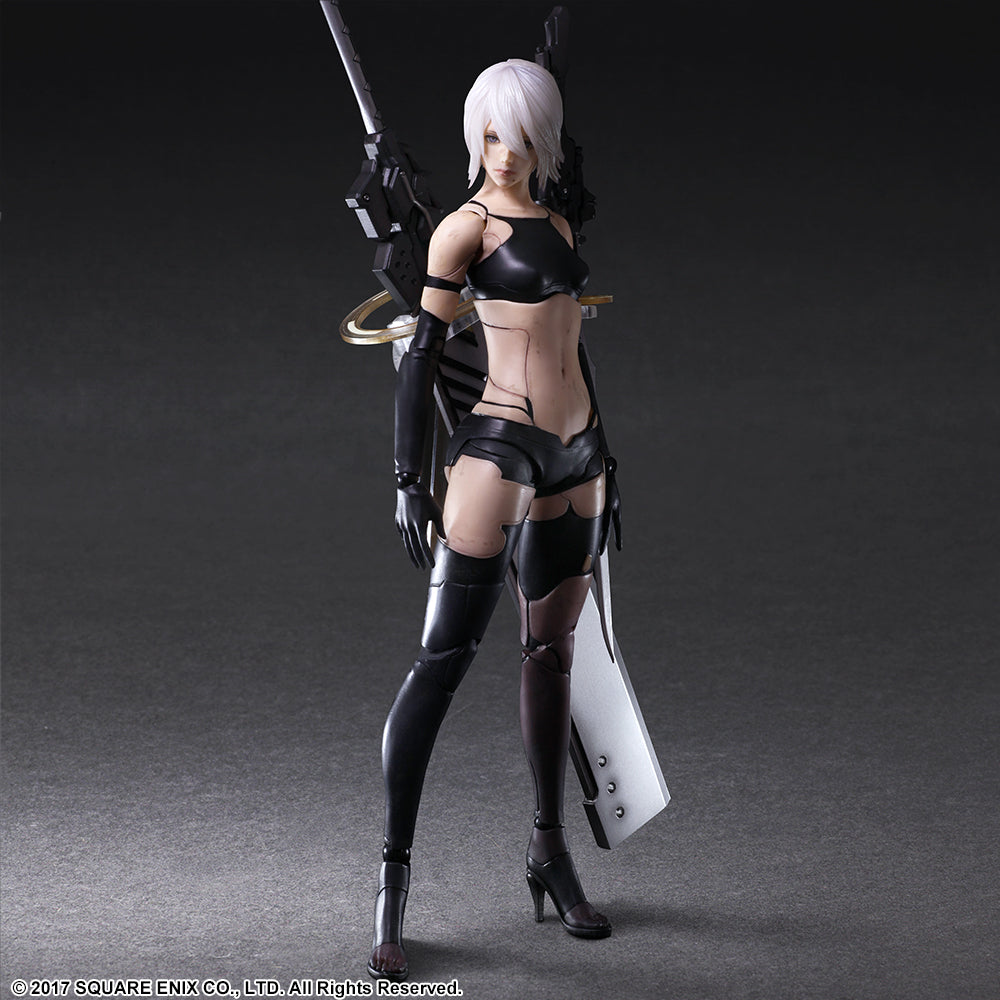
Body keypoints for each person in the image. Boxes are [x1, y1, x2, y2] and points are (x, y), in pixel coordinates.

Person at [369, 57, 622, 981]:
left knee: (551, 655)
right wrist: (410, 477)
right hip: (499, 449)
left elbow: (572, 348)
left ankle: (550, 854)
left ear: (541, 139)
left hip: (579, 455)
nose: (501, 153)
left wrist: (607, 459)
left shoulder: (558, 222)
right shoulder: (462, 229)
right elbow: (420, 355)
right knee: (440, 664)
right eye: (487, 134)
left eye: (517, 136)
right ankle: (392, 885)